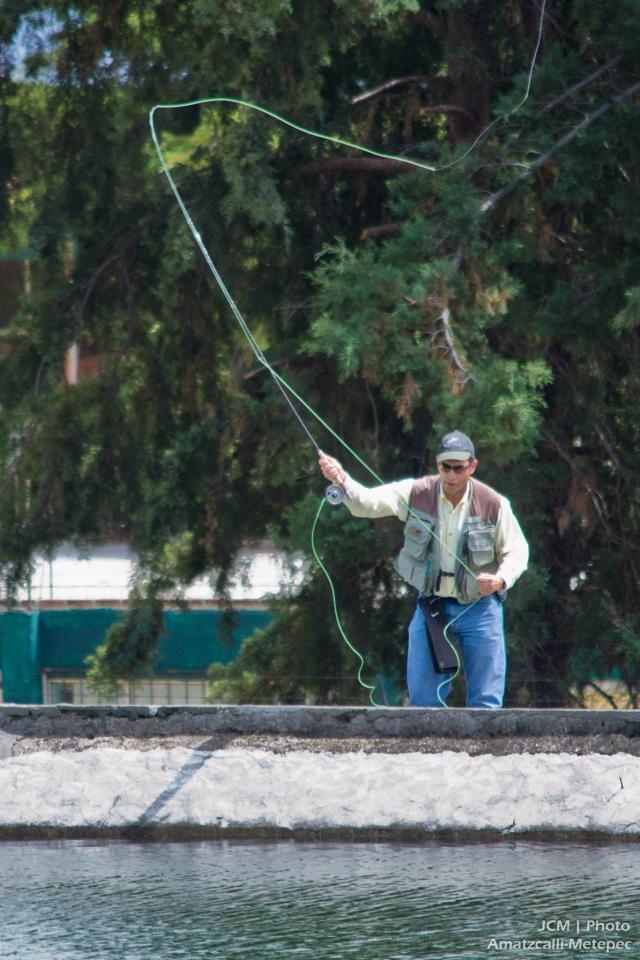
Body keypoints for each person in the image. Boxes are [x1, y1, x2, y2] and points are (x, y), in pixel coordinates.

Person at [318, 431, 529, 708]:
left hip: (481, 609)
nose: (451, 475)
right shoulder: (416, 492)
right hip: (432, 608)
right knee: (422, 701)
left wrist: (501, 580)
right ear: (437, 465)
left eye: (458, 468)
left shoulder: (494, 504)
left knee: (486, 701)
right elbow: (367, 504)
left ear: (472, 466)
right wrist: (341, 479)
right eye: (445, 467)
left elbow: (518, 551)